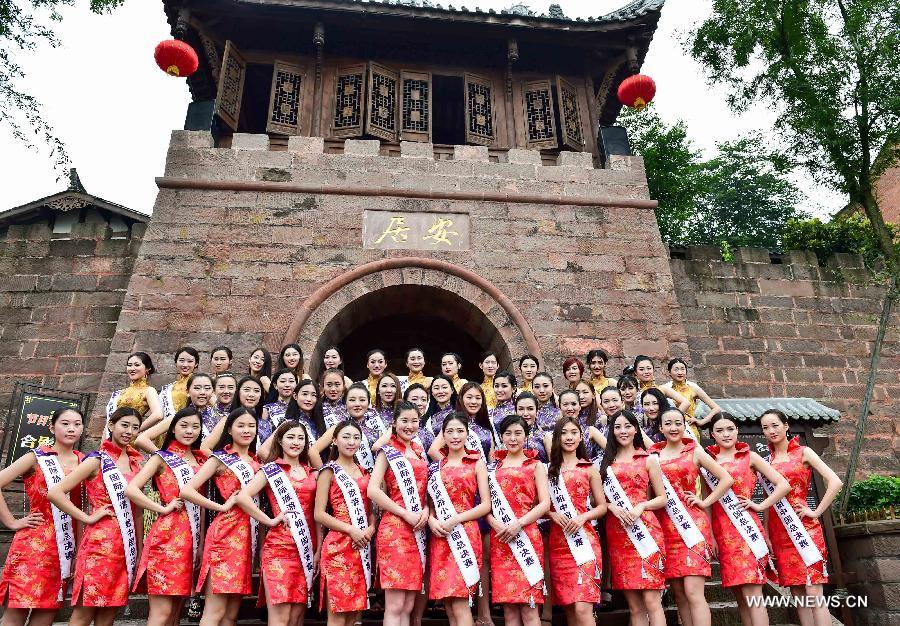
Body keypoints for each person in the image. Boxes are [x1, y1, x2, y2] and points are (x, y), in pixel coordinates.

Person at [47, 408, 144, 626]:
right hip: (99, 547)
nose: (129, 431)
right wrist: (88, 518)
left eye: (135, 427)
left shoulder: (136, 463)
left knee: (109, 613)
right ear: (111, 426)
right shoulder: (96, 461)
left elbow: (137, 512)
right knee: (85, 612)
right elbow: (55, 492)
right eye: (124, 425)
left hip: (125, 548)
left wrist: (138, 549)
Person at [0, 408, 85, 626]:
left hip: (64, 549)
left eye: (77, 424)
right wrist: (11, 521)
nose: (71, 429)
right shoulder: (36, 458)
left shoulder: (86, 463)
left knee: (45, 617)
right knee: (15, 615)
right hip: (32, 546)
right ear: (52, 427)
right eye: (65, 423)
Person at [650, 408, 733, 626]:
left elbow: (725, 479)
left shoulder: (694, 451)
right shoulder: (653, 455)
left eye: (678, 423)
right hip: (665, 527)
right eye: (668, 424)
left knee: (694, 592)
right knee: (678, 593)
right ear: (660, 428)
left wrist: (705, 502)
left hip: (692, 527)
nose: (673, 428)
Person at [706, 413, 791, 626]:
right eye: (720, 430)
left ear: (737, 430)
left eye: (730, 429)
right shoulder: (708, 461)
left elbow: (783, 484)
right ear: (711, 434)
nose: (726, 434)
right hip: (723, 533)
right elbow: (706, 501)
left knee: (754, 594)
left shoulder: (750, 457)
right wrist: (711, 536)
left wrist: (760, 506)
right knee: (740, 596)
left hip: (747, 530)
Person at [126, 407, 208, 626]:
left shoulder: (201, 462)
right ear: (172, 429)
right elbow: (131, 490)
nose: (189, 431)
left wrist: (200, 545)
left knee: (176, 613)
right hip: (167, 538)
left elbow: (199, 505)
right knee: (162, 612)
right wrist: (161, 508)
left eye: (195, 426)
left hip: (191, 539)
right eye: (184, 425)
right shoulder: (161, 458)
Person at [235, 420, 323, 626]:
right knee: (280, 618)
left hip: (306, 550)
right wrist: (269, 520)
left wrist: (318, 548)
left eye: (301, 438)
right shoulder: (271, 470)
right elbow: (243, 497)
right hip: (278, 550)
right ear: (280, 441)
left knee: (296, 617)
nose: (296, 443)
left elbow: (317, 515)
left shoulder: (312, 473)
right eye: (290, 437)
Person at [761, 410, 843, 626]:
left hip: (804, 528)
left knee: (814, 591)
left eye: (775, 425)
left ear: (786, 426)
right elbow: (770, 501)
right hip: (780, 533)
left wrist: (816, 512)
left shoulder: (804, 452)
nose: (771, 431)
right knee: (798, 593)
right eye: (766, 428)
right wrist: (767, 534)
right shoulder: (765, 461)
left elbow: (835, 482)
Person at [180, 408, 260, 626]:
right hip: (224, 537)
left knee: (230, 614)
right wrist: (221, 507)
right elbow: (187, 491)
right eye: (240, 426)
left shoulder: (256, 462)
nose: (246, 430)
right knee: (215, 611)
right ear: (229, 430)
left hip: (246, 540)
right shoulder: (220, 459)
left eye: (251, 426)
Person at [598, 410, 667, 626]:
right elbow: (595, 500)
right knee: (635, 605)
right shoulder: (605, 463)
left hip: (646, 531)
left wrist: (642, 506)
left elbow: (662, 498)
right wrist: (610, 506)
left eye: (627, 426)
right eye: (617, 427)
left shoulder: (648, 459)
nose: (623, 431)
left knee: (652, 600)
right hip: (619, 534)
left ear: (635, 429)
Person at [368, 402, 431, 626]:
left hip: (417, 530)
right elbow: (373, 490)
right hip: (395, 529)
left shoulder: (419, 451)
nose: (410, 426)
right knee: (395, 605)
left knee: (408, 605)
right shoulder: (388, 452)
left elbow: (426, 491)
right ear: (393, 423)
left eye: (414, 421)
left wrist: (426, 509)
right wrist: (405, 513)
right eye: (404, 420)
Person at [426, 413, 491, 625]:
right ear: (442, 435)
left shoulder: (476, 463)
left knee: (461, 600)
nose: (455, 436)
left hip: (465, 532)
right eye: (450, 431)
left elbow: (485, 505)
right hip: (441, 535)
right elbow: (431, 504)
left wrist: (457, 519)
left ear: (467, 434)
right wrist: (432, 521)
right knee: (449, 603)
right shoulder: (436, 467)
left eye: (460, 431)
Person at [487, 415, 551, 626]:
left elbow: (544, 504)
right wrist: (493, 522)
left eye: (518, 433)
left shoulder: (536, 465)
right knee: (510, 611)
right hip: (501, 538)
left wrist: (519, 523)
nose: (512, 438)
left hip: (527, 536)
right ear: (501, 436)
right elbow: (486, 504)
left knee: (530, 607)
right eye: (508, 434)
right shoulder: (492, 468)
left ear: (526, 436)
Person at [546, 417, 607, 626]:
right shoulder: (547, 470)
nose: (569, 437)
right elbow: (539, 506)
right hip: (559, 544)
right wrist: (553, 515)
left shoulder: (589, 468)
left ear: (581, 437)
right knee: (570, 608)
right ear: (556, 437)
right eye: (564, 433)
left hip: (585, 543)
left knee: (583, 607)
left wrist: (583, 516)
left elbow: (602, 506)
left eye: (573, 432)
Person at [315, 420, 375, 625]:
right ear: (334, 441)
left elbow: (371, 511)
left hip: (361, 546)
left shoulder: (365, 472)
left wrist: (371, 528)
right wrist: (351, 529)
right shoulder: (328, 471)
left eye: (356, 437)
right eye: (346, 437)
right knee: (338, 613)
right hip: (337, 547)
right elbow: (319, 514)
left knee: (353, 616)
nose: (351, 442)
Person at [311, 383, 378, 472]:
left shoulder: (376, 426)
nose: (357, 404)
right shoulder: (339, 427)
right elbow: (313, 451)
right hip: (345, 482)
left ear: (368, 403)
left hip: (371, 480)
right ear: (345, 403)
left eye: (362, 400)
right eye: (352, 400)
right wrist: (324, 475)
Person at [660, 359, 721, 439]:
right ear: (669, 372)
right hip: (671, 430)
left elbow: (716, 408)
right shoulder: (665, 389)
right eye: (676, 369)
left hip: (690, 429)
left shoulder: (693, 388)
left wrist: (701, 422)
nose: (680, 372)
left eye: (682, 369)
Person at [107, 351, 162, 431]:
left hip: (128, 438)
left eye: (137, 365)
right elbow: (110, 420)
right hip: (113, 437)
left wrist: (135, 430)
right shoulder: (121, 393)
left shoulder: (149, 390)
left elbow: (158, 415)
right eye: (129, 365)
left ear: (147, 368)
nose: (132, 369)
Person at [158, 346, 200, 422]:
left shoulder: (200, 384)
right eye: (181, 360)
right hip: (167, 429)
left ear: (196, 364)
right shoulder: (169, 387)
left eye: (190, 361)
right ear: (176, 363)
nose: (185, 365)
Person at [262, 369, 298, 445]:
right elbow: (262, 437)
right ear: (275, 385)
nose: (287, 385)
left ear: (296, 385)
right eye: (282, 381)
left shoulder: (301, 408)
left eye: (291, 381)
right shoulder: (267, 409)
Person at [367, 372, 402, 438]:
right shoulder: (369, 415)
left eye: (393, 386)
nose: (389, 390)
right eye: (384, 386)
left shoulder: (404, 413)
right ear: (378, 391)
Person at [514, 392, 547, 462]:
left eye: (530, 409)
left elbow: (553, 465)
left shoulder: (546, 437)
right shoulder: (510, 436)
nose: (525, 413)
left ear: (537, 411)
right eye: (521, 409)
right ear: (515, 412)